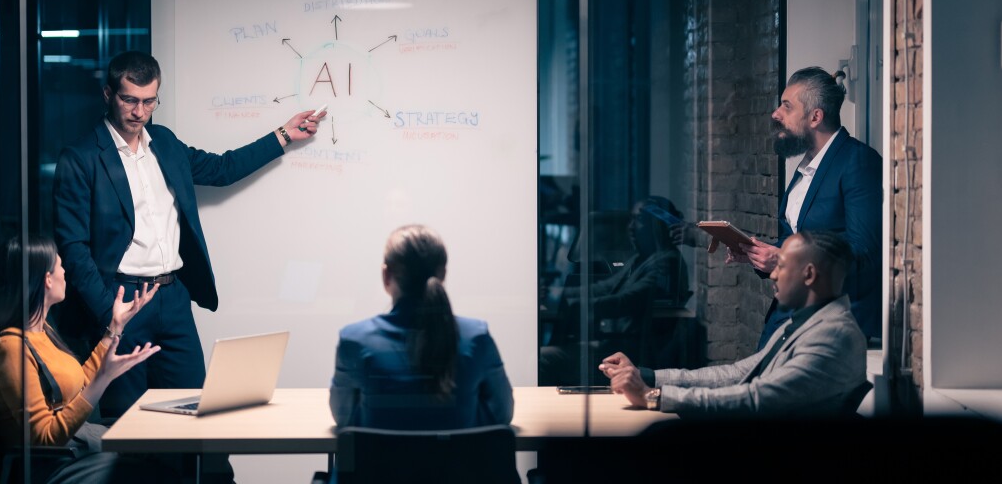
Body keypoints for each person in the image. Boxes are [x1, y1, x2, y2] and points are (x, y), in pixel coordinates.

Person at [53, 50, 325, 421]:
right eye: (129, 100)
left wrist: (283, 135)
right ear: (108, 95)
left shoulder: (165, 143)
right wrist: (109, 315)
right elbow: (74, 250)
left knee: (197, 415)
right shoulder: (81, 158)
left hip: (173, 298)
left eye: (149, 101)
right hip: (121, 302)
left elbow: (222, 168)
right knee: (129, 425)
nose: (139, 112)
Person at [600, 230, 867, 418]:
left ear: (808, 274)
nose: (772, 274)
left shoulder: (833, 334)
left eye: (781, 266)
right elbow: (736, 374)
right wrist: (646, 376)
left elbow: (756, 399)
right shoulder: (802, 322)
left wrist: (652, 396)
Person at [0, 236, 166, 483]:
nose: (65, 271)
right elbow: (43, 439)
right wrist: (103, 379)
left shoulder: (43, 332)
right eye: (60, 265)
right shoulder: (11, 349)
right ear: (47, 279)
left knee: (159, 457)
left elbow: (80, 384)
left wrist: (115, 326)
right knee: (154, 471)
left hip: (73, 454)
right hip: (52, 467)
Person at [730, 66, 882, 347]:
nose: (776, 114)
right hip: (787, 320)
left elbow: (866, 256)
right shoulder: (806, 168)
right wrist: (763, 256)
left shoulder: (858, 162)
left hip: (831, 328)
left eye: (787, 106)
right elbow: (797, 241)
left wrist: (786, 261)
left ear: (816, 117)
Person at [329, 224, 514, 430]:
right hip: (458, 462)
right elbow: (502, 414)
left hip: (383, 463)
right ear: (443, 273)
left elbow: (343, 417)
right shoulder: (477, 337)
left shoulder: (354, 341)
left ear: (386, 276)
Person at [538, 196, 688, 385]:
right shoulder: (641, 259)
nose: (631, 227)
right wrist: (558, 293)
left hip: (626, 351)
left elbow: (626, 301)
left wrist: (573, 304)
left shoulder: (666, 263)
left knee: (542, 358)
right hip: (614, 343)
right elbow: (605, 287)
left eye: (638, 220)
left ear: (655, 224)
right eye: (631, 220)